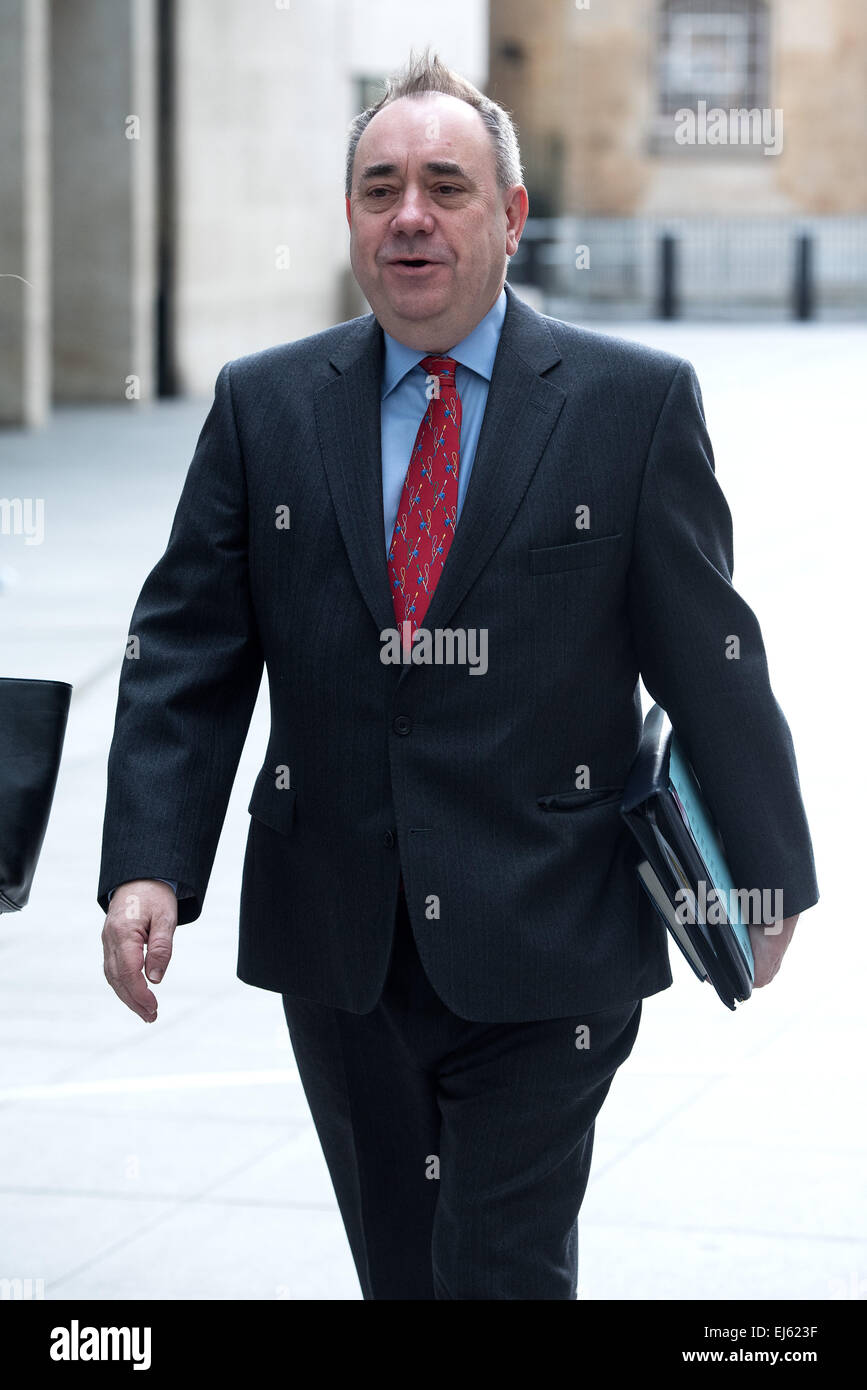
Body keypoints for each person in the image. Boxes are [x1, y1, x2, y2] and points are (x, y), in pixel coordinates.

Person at [98, 51, 818, 1300]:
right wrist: (149, 861)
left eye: (446, 185)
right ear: (353, 218)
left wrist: (765, 865)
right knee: (399, 1269)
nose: (411, 215)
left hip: (551, 936)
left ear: (512, 216)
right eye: (382, 189)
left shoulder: (628, 405)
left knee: (498, 1268)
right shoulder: (265, 406)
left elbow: (710, 652)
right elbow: (190, 647)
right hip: (341, 943)